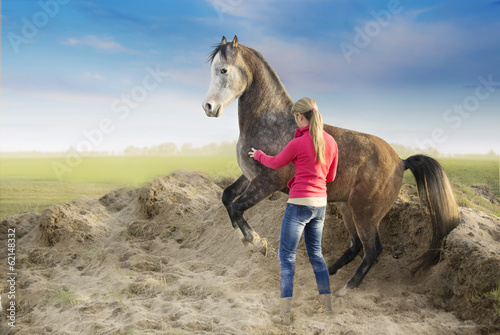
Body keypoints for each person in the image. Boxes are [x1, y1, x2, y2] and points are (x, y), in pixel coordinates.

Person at [249, 97, 338, 325]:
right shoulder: (331, 142)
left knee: (287, 258)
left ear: (300, 117)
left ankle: (284, 316)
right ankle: (328, 309)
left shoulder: (298, 142)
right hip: (320, 205)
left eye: (295, 119)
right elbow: (331, 177)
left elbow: (276, 162)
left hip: (299, 204)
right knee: (316, 256)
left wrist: (258, 155)